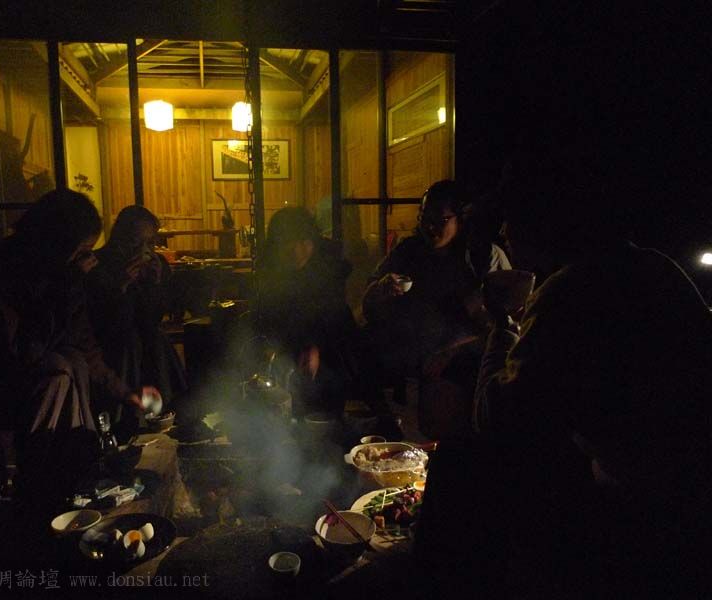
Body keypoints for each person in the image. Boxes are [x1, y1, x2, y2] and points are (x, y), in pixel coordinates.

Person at [416, 140, 712, 596]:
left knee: (458, 464)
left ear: (546, 220)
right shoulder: (656, 266)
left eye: (513, 217)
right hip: (678, 479)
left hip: (647, 500)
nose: (506, 231)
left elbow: (494, 419)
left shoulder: (572, 288)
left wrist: (502, 322)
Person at [0, 190, 148, 515]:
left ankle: (74, 473)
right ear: (54, 242)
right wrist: (65, 287)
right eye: (81, 251)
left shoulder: (58, 275)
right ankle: (39, 489)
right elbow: (20, 353)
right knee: (59, 368)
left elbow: (85, 347)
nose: (87, 260)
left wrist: (125, 393)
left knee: (74, 361)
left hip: (20, 380)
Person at [361, 180, 510, 437]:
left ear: (460, 219)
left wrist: (450, 351)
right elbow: (368, 305)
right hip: (410, 361)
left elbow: (503, 323)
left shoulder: (483, 256)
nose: (429, 227)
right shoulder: (408, 252)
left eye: (440, 220)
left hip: (464, 364)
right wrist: (380, 289)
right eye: (424, 218)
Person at [85, 206, 193, 440]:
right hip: (109, 344)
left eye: (150, 243)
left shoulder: (155, 265)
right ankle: (128, 421)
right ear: (121, 239)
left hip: (146, 339)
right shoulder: (98, 265)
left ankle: (169, 411)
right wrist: (121, 286)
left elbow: (152, 319)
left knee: (156, 338)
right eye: (136, 242)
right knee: (131, 342)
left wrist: (155, 284)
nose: (144, 250)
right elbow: (105, 323)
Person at [252, 206, 357, 418]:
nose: (297, 250)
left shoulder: (328, 268)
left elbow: (335, 318)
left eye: (304, 241)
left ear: (313, 241)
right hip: (285, 351)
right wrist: (270, 349)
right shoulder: (268, 272)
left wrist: (315, 346)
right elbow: (264, 317)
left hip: (330, 351)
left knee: (324, 415)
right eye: (288, 242)